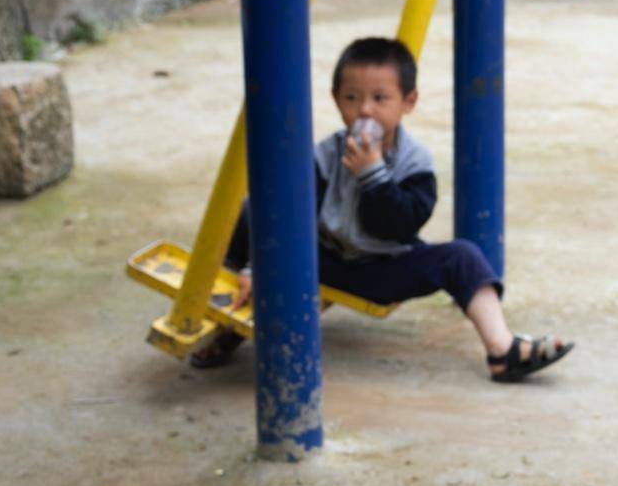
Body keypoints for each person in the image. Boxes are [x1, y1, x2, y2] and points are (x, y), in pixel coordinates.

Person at [190, 37, 574, 383]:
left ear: (408, 102)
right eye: (352, 98)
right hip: (319, 258)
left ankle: (501, 348)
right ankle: (228, 318)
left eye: (380, 98)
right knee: (261, 205)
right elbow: (290, 217)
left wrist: (373, 176)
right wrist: (259, 267)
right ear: (336, 98)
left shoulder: (415, 163)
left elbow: (398, 227)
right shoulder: (325, 154)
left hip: (382, 268)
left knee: (463, 256)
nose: (365, 111)